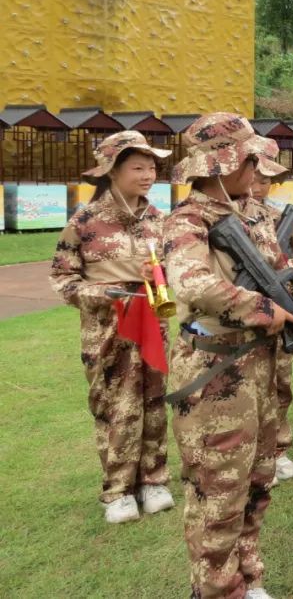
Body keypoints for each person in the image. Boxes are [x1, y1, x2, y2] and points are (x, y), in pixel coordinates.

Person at [164, 112, 293, 599]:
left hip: (257, 366)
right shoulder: (187, 221)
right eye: (248, 158)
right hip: (214, 373)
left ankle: (246, 578)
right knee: (218, 493)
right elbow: (190, 282)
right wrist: (263, 308)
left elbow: (280, 280)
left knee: (257, 482)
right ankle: (216, 589)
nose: (257, 167)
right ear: (219, 164)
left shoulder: (247, 217)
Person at [50, 130, 175, 524]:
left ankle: (154, 479)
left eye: (152, 167)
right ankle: (118, 490)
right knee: (115, 407)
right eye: (138, 167)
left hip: (153, 325)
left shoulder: (159, 220)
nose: (148, 174)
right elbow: (63, 278)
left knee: (154, 402)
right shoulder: (86, 222)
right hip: (107, 331)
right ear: (112, 172)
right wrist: (105, 293)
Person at [248, 136, 293, 486]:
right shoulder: (233, 219)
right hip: (250, 314)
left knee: (281, 383)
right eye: (256, 177)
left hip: (284, 310)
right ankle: (256, 454)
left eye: (266, 180)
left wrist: (290, 269)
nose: (260, 185)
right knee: (250, 388)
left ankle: (278, 449)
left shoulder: (280, 217)